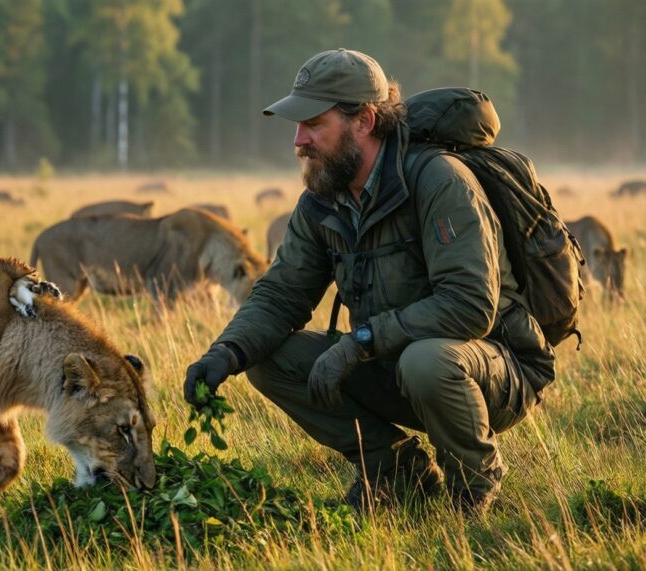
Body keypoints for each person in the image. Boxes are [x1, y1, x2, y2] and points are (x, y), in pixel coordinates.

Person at [183, 48, 554, 516]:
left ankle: (474, 488)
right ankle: (397, 472)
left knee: (427, 359)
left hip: (491, 368)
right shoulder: (323, 198)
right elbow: (281, 294)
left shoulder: (439, 181)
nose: (299, 141)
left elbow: (469, 306)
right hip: (391, 362)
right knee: (267, 359)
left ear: (364, 120)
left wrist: (359, 342)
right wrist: (226, 353)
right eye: (297, 126)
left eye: (313, 123)